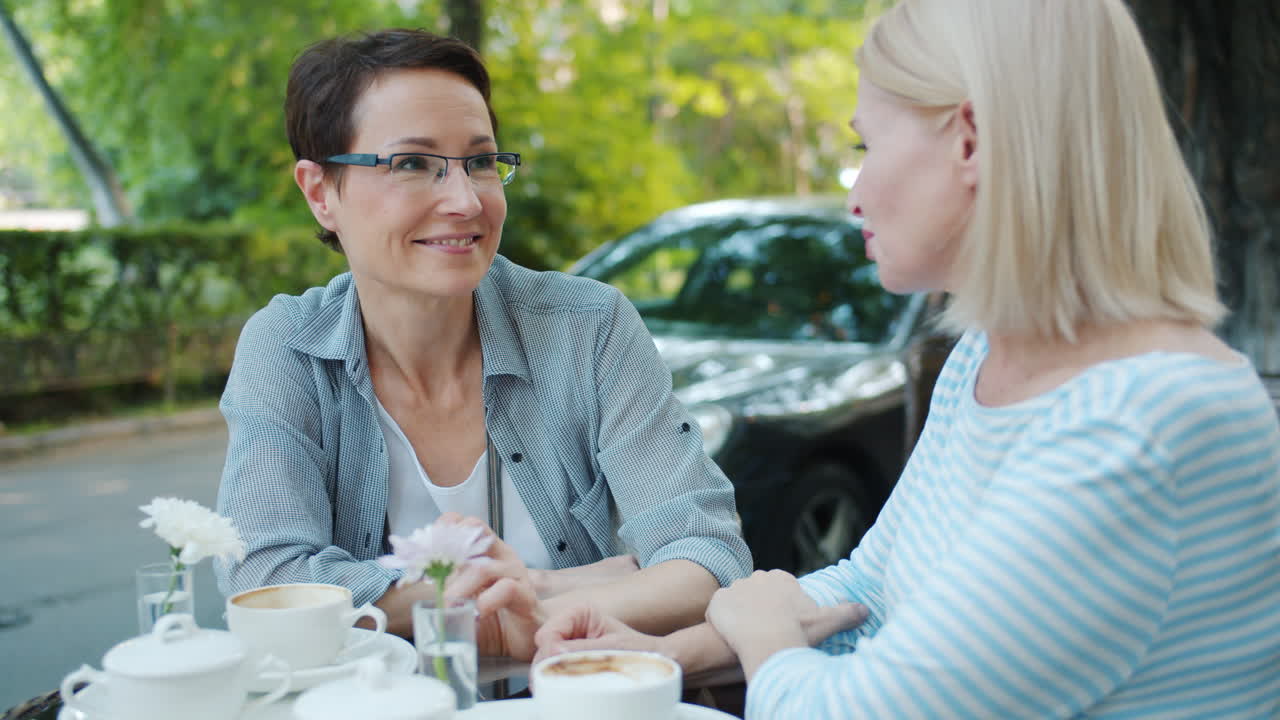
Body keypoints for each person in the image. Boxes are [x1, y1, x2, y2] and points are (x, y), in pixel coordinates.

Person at [535, 0, 1280, 717]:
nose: (854, 194)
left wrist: (755, 620)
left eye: (865, 146)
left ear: (972, 140)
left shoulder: (1137, 425)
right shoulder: (988, 355)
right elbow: (871, 587)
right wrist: (663, 655)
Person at [213, 28, 752, 654]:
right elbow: (266, 582)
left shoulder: (587, 327)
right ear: (319, 193)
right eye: (412, 163)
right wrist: (487, 593)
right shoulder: (288, 348)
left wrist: (537, 590)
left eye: (479, 162)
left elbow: (707, 557)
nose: (465, 200)